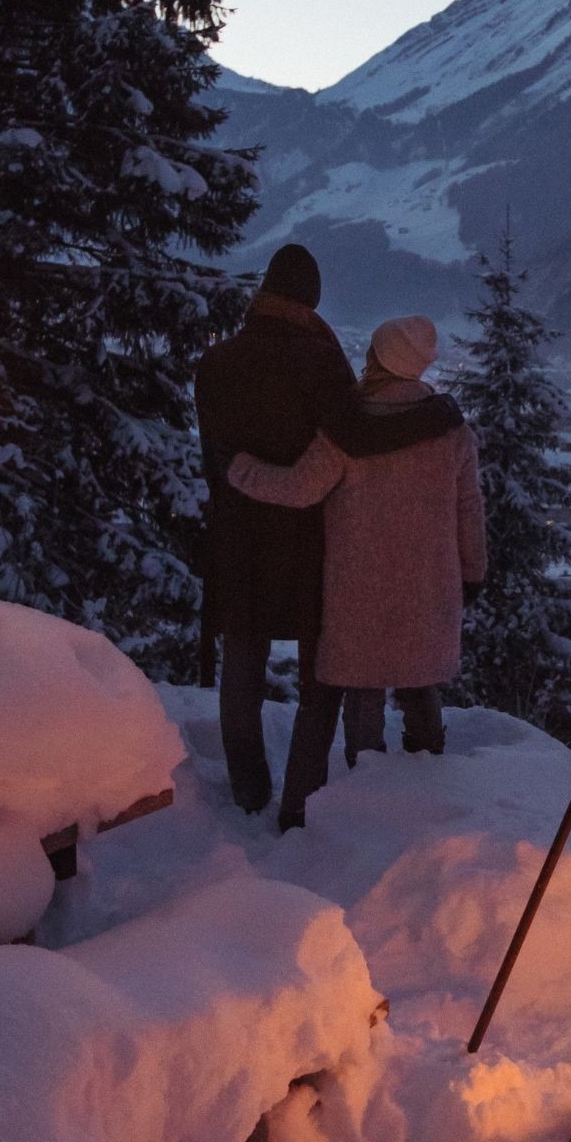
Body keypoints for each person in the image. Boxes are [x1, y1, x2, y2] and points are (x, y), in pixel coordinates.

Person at [195, 246, 461, 831]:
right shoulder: (321, 362)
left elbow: (214, 456)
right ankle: (304, 798)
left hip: (237, 540)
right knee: (322, 675)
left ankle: (247, 790)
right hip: (309, 543)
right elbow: (359, 440)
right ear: (311, 300)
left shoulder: (215, 363)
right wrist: (437, 417)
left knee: (241, 663)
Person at [226, 314, 485, 776]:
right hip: (429, 586)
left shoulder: (348, 430)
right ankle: (431, 784)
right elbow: (469, 511)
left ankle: (365, 791)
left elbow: (299, 489)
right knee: (420, 681)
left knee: (364, 690)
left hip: (359, 586)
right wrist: (472, 574)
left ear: (379, 358)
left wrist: (239, 468)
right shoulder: (452, 432)